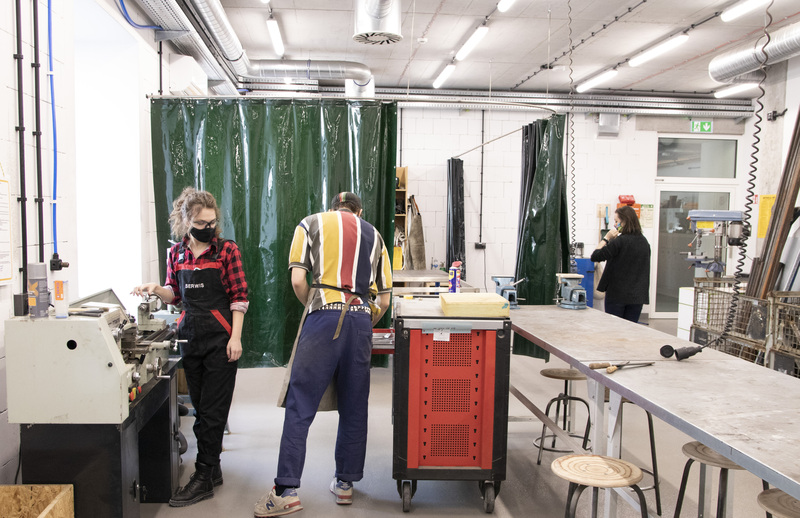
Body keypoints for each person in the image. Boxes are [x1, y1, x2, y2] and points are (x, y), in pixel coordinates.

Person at [254, 192, 392, 517]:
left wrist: (317, 310)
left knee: (300, 404)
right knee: (354, 405)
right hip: (360, 319)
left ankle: (286, 491)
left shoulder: (310, 223)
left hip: (321, 315)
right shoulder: (374, 235)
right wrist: (362, 319)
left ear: (333, 208)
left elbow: (298, 279)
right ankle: (345, 484)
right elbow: (384, 301)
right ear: (359, 212)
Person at [132, 187, 248, 507]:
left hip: (222, 340)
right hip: (190, 337)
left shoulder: (226, 251)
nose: (208, 227)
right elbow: (176, 295)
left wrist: (235, 338)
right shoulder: (176, 255)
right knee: (200, 409)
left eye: (212, 222)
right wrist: (157, 289)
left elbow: (239, 298)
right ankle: (215, 469)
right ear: (186, 221)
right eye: (200, 222)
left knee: (212, 412)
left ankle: (202, 477)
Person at [590, 205, 650, 323]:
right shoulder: (644, 242)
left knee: (615, 329)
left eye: (616, 221)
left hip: (617, 295)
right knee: (631, 329)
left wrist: (606, 238)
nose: (615, 225)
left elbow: (595, 256)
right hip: (637, 297)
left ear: (625, 221)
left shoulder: (620, 242)